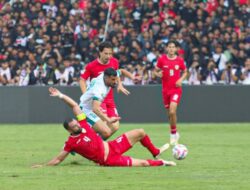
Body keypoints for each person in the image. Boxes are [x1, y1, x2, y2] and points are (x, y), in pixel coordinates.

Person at [32, 87, 176, 168]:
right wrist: (43, 166)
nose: (77, 125)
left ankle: (156, 153)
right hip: (109, 160)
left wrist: (60, 95)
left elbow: (75, 106)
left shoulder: (83, 124)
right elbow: (58, 160)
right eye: (74, 126)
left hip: (112, 146)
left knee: (140, 132)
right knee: (143, 163)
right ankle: (163, 163)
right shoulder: (70, 143)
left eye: (76, 122)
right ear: (70, 130)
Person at [79, 41, 139, 136]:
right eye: (106, 53)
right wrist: (85, 93)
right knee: (103, 125)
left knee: (114, 126)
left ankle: (94, 144)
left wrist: (120, 84)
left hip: (110, 99)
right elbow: (82, 80)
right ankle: (88, 143)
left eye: (110, 53)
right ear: (100, 52)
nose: (108, 56)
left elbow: (117, 73)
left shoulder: (114, 62)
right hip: (99, 99)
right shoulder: (91, 66)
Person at [155, 40, 188, 145]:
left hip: (176, 89)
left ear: (176, 49)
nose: (171, 49)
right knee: (169, 114)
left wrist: (181, 79)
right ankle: (175, 131)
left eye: (173, 47)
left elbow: (185, 71)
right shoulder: (162, 59)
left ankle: (173, 133)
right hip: (165, 90)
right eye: (169, 47)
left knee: (172, 111)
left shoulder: (179, 60)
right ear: (167, 48)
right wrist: (157, 74)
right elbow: (155, 71)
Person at [79, 68, 121, 140]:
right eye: (113, 80)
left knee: (106, 130)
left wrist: (120, 85)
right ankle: (76, 142)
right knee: (106, 131)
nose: (115, 82)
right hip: (86, 109)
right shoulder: (100, 89)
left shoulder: (106, 75)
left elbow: (121, 71)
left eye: (115, 79)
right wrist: (108, 120)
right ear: (107, 78)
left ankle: (92, 145)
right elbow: (95, 109)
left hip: (92, 106)